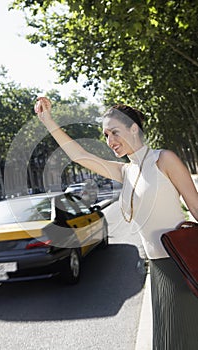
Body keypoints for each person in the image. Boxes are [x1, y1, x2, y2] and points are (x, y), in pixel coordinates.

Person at [35, 97, 198, 349]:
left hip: (181, 265)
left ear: (134, 128)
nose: (110, 141)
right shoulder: (125, 171)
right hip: (157, 270)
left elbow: (196, 207)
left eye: (115, 133)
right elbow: (80, 155)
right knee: (167, 341)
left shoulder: (163, 160)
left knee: (181, 340)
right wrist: (48, 121)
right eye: (105, 135)